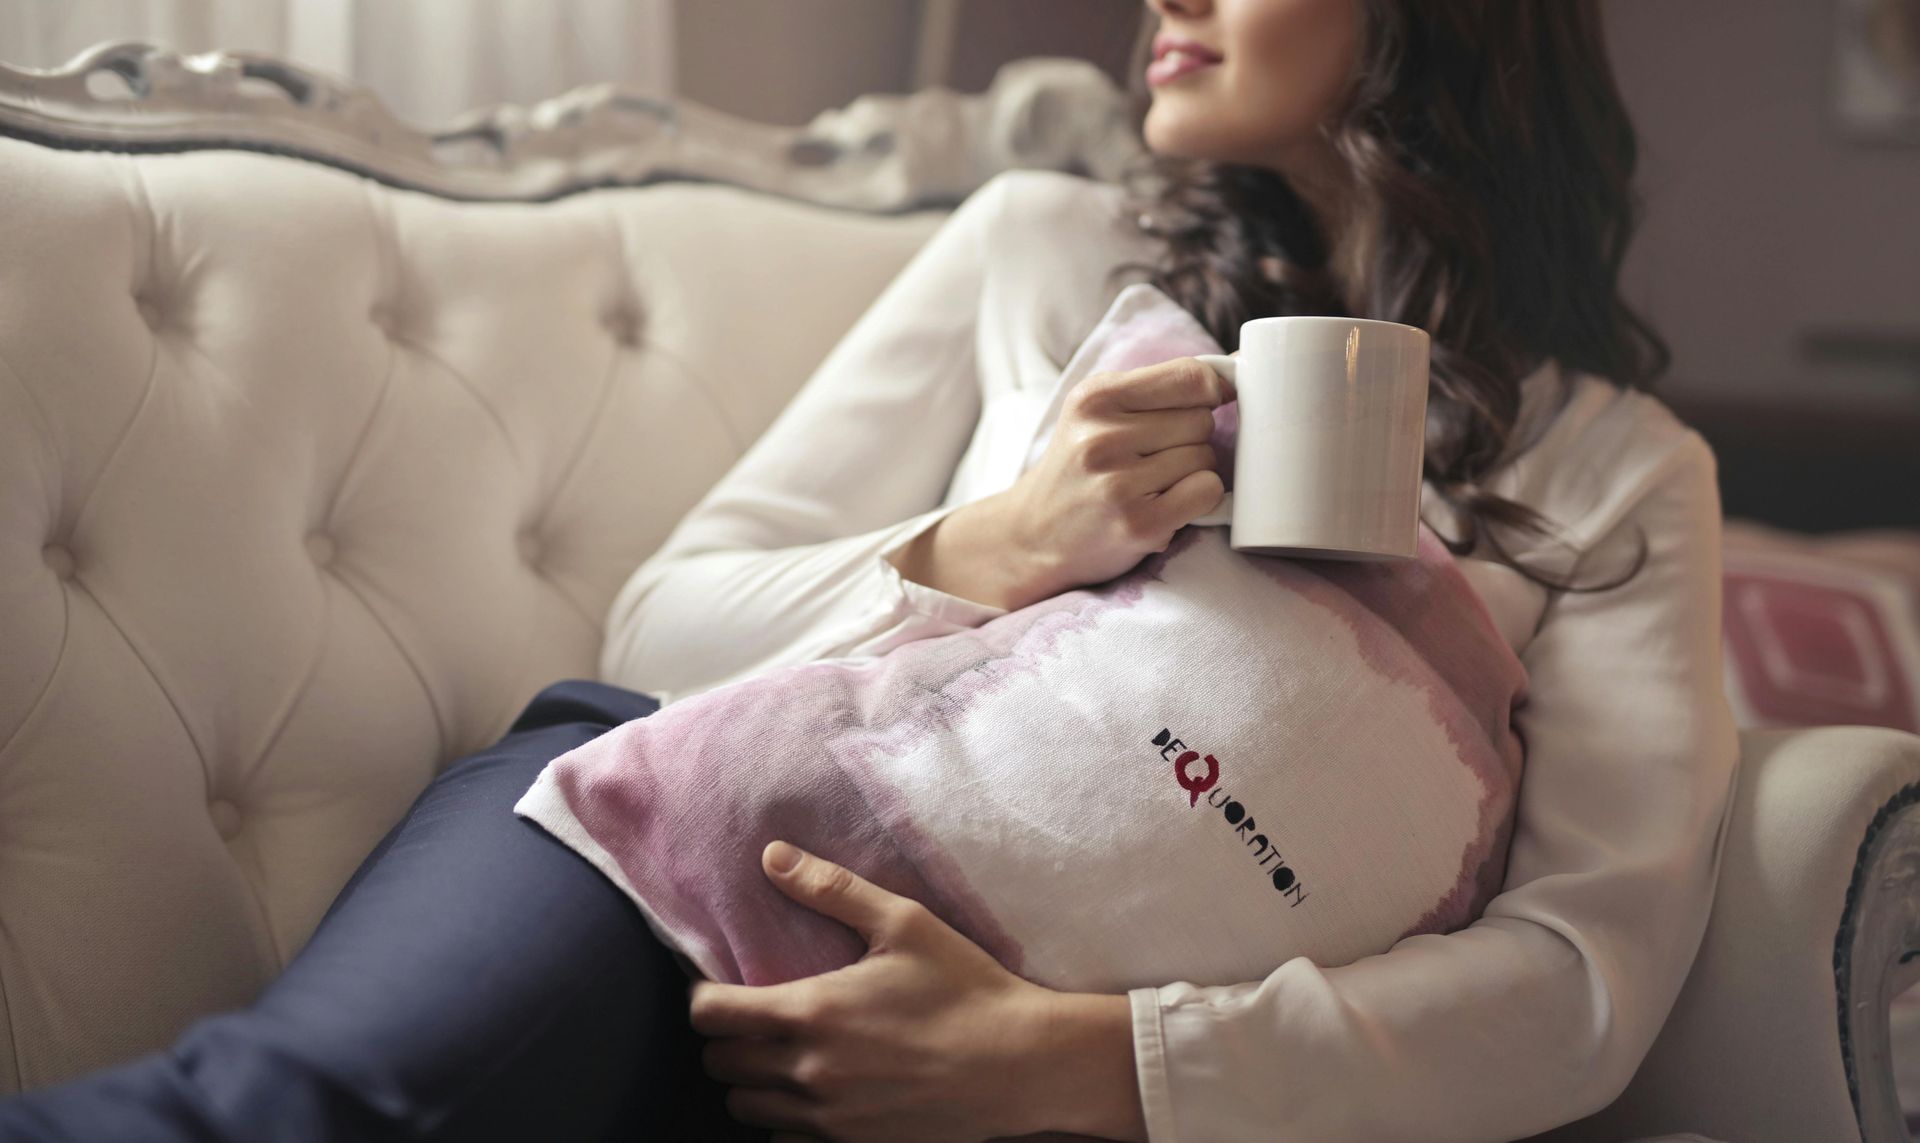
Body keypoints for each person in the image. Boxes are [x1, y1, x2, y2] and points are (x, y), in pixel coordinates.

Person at [0, 0, 1740, 1140]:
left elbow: (1581, 977)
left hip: (1022, 1077)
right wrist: (1001, 546)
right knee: (293, 1114)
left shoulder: (1613, 479)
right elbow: (666, 623)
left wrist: (1088, 1065)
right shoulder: (1048, 246)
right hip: (664, 836)